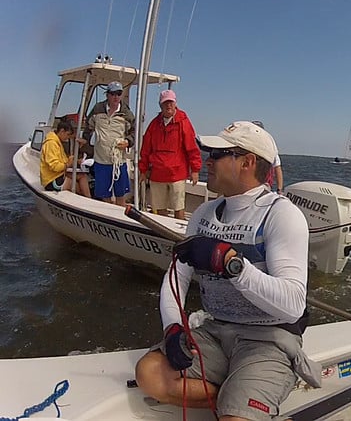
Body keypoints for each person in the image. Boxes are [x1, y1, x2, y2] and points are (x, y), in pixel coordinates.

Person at [135, 121, 320, 420]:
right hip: (216, 331)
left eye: (218, 155)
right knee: (150, 375)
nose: (207, 161)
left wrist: (231, 265)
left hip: (268, 339)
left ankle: (246, 397)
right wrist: (173, 328)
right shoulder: (203, 214)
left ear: (247, 162)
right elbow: (176, 278)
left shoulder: (281, 215)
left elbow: (293, 306)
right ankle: (238, 395)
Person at [138, 89, 202, 220]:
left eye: (171, 102)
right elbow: (145, 149)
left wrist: (195, 170)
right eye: (165, 103)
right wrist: (143, 170)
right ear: (160, 105)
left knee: (178, 207)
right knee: (159, 208)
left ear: (175, 103)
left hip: (177, 174)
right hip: (157, 174)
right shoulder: (154, 125)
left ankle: (178, 229)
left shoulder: (183, 122)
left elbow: (192, 147)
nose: (168, 105)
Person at [82, 81, 135, 206]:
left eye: (119, 93)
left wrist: (128, 142)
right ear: (107, 95)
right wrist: (85, 141)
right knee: (105, 196)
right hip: (101, 161)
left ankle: (120, 216)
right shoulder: (97, 109)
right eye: (112, 94)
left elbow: (134, 132)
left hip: (119, 162)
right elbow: (88, 127)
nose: (116, 97)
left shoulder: (127, 113)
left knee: (120, 195)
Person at [40, 120, 91, 197]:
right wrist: (67, 165)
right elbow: (54, 166)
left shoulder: (57, 142)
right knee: (78, 187)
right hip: (51, 180)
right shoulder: (51, 144)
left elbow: (63, 160)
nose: (68, 137)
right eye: (67, 134)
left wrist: (75, 161)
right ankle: (87, 198)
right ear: (62, 131)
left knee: (82, 176)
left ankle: (88, 197)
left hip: (59, 175)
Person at [251, 121, 283, 194]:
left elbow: (277, 168)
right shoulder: (243, 146)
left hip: (264, 187)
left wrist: (279, 189)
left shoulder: (270, 148)